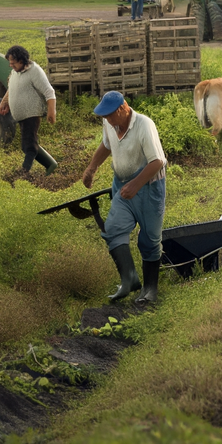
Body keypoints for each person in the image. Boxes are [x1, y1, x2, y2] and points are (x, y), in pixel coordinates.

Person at [81, 91, 168, 305]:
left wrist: (136, 184)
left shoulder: (144, 125)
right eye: (105, 117)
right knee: (113, 229)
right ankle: (129, 279)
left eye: (111, 115)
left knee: (149, 240)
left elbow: (158, 161)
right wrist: (92, 168)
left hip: (149, 187)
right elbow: (107, 145)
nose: (108, 120)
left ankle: (150, 290)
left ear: (124, 108)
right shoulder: (110, 123)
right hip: (122, 186)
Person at [0, 45, 57, 174]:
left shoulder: (35, 71)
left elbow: (49, 91)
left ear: (21, 61)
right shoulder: (15, 71)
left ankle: (24, 171)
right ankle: (51, 164)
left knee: (29, 146)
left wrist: (52, 111)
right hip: (21, 115)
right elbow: (12, 88)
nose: (11, 66)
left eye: (13, 63)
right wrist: (4, 102)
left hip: (32, 113)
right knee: (28, 143)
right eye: (10, 63)